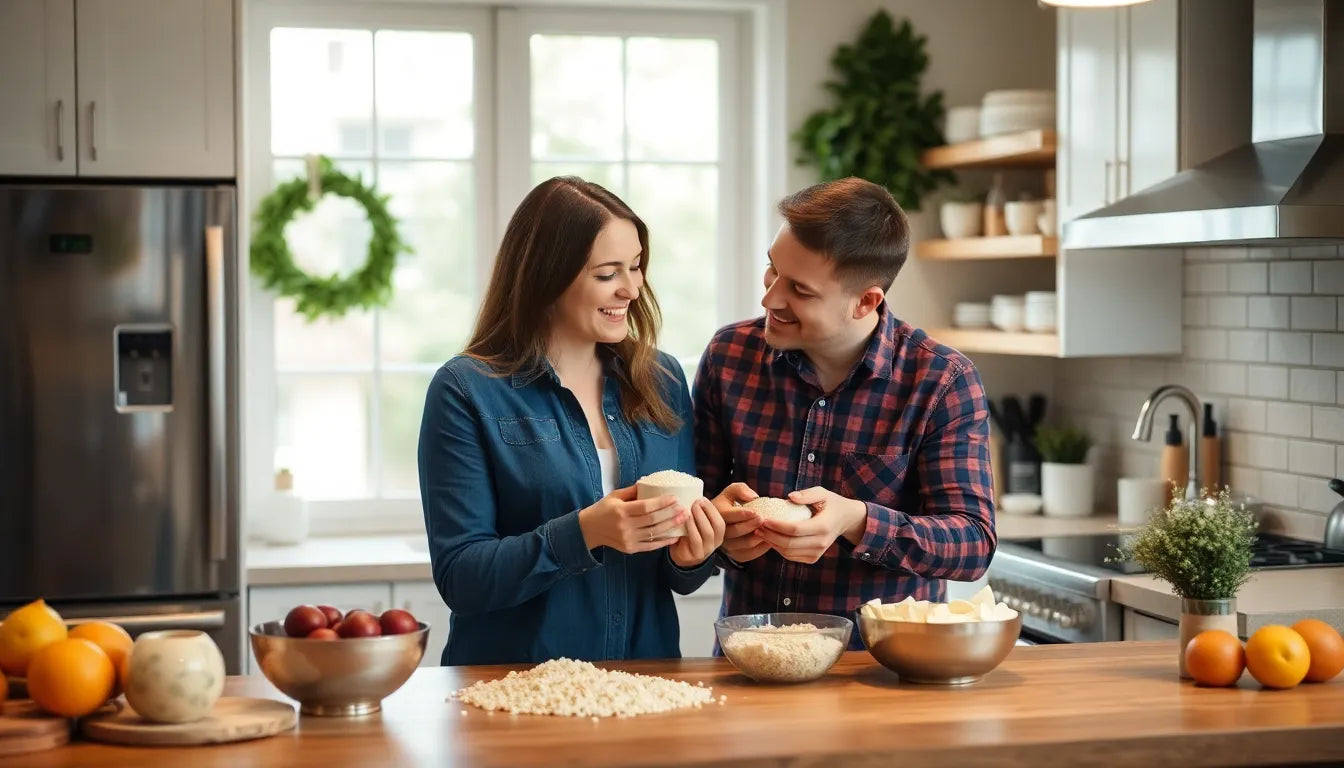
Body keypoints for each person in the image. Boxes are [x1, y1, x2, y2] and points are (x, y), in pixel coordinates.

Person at [418, 176, 726, 666]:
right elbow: (462, 578)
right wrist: (585, 532)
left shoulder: (661, 378)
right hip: (510, 691)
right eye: (608, 273)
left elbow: (676, 573)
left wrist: (693, 555)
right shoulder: (465, 389)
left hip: (644, 686)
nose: (631, 288)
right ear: (548, 276)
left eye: (636, 266)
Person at [693, 177, 996, 648]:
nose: (770, 298)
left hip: (880, 672)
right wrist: (720, 535)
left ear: (866, 301)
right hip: (750, 661)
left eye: (799, 289)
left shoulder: (940, 381)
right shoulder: (730, 356)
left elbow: (973, 543)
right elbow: (700, 505)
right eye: (771, 271)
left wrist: (856, 521)